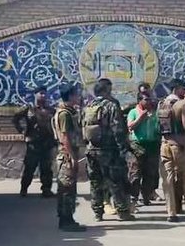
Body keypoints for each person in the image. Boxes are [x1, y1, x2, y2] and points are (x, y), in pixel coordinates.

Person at [81, 78, 135, 221]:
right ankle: (123, 212)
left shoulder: (88, 106)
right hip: (108, 151)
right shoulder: (111, 106)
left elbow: (83, 129)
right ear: (106, 90)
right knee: (115, 181)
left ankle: (98, 213)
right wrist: (123, 149)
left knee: (95, 182)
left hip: (91, 150)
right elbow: (117, 129)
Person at [158, 78, 185, 223]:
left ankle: (171, 212)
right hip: (180, 144)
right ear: (178, 89)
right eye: (183, 88)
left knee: (168, 180)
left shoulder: (161, 103)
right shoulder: (182, 104)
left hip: (165, 143)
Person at [51, 82, 87, 232]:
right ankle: (66, 221)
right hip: (66, 156)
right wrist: (72, 156)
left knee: (69, 189)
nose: (78, 97)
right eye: (76, 94)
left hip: (68, 154)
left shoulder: (69, 111)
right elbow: (64, 136)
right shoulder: (64, 114)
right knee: (66, 189)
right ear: (71, 96)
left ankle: (68, 218)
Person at [12, 86, 57, 197]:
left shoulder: (51, 110)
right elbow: (15, 119)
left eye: (44, 93)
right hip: (33, 143)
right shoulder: (29, 109)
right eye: (41, 93)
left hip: (47, 142)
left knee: (46, 168)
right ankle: (24, 189)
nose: (43, 95)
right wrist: (23, 132)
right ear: (35, 94)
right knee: (29, 167)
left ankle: (46, 190)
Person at [126, 90, 161, 205]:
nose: (149, 101)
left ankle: (145, 196)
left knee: (149, 173)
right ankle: (133, 197)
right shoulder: (133, 112)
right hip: (137, 146)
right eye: (146, 99)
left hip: (151, 145)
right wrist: (141, 117)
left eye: (150, 99)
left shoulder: (154, 113)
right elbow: (130, 126)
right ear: (139, 101)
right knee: (135, 173)